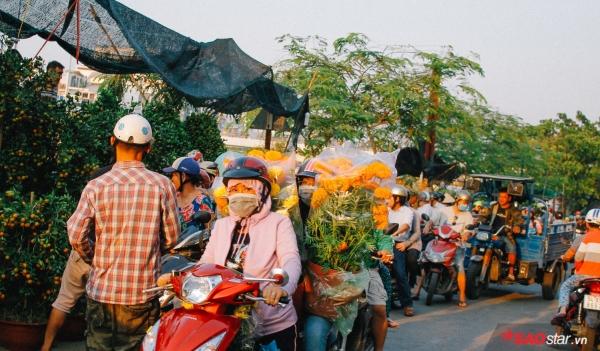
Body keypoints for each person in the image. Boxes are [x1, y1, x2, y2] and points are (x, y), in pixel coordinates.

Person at [67, 114, 180, 351]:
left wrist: (93, 257)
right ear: (148, 148)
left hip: (102, 293)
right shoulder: (162, 185)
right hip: (141, 295)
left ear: (112, 141)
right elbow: (172, 238)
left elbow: (76, 233)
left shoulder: (97, 186)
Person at [198, 156, 301, 350]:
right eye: (234, 189)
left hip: (270, 323)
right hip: (225, 319)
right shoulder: (221, 225)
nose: (239, 195)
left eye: (247, 188)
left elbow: (291, 260)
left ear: (262, 191)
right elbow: (206, 263)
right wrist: (179, 276)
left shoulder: (279, 223)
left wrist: (281, 288)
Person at [41, 165, 115, 351]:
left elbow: (76, 229)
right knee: (104, 306)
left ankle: (45, 347)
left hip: (81, 254)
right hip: (106, 258)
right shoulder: (118, 195)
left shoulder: (92, 192)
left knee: (63, 301)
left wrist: (86, 253)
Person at [552, 208, 600, 326]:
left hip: (584, 276)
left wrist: (578, 269)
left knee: (565, 286)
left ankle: (563, 311)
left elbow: (578, 257)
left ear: (587, 223)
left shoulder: (585, 237)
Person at [441, 191, 474, 308]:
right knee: (425, 258)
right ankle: (417, 291)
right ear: (457, 200)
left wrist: (467, 234)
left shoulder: (468, 215)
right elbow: (434, 221)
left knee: (460, 267)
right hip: (442, 241)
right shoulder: (445, 210)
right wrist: (429, 225)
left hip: (457, 244)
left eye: (466, 202)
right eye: (463, 201)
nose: (464, 204)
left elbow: (469, 230)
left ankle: (462, 295)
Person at [482, 188, 523, 281]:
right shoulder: (493, 207)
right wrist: (479, 220)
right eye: (500, 196)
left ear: (509, 198)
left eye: (504, 197)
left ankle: (511, 272)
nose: (501, 199)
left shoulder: (513, 210)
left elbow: (519, 220)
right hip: (491, 233)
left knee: (512, 247)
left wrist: (516, 226)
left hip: (505, 235)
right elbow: (485, 216)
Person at [163, 157, 215, 230]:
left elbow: (210, 230)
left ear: (183, 176)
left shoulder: (202, 201)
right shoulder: (172, 197)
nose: (171, 179)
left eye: (174, 175)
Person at [388, 185, 417, 317]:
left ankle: (407, 304)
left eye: (390, 197)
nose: (387, 199)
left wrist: (394, 234)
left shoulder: (407, 211)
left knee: (400, 273)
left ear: (397, 199)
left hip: (398, 244)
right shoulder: (385, 209)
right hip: (382, 242)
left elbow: (406, 226)